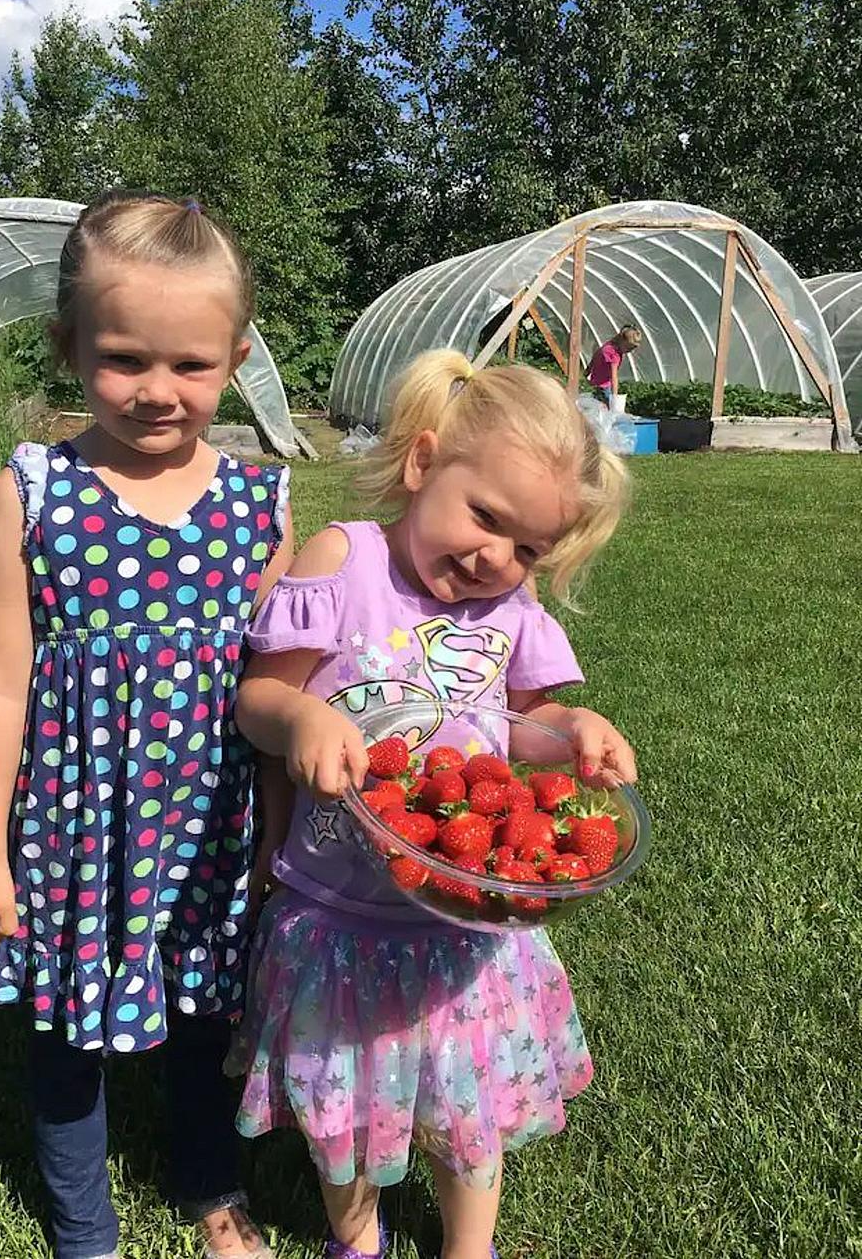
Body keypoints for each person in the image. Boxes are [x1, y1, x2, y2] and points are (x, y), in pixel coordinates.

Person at [230, 351, 637, 1259]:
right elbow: (258, 697)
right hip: (339, 905)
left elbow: (521, 726)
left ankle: (467, 1244)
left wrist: (574, 726)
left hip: (465, 914)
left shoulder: (513, 607)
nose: (496, 556)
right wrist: (298, 713)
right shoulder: (347, 558)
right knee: (344, 1098)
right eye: (485, 517)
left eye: (526, 546)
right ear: (422, 464)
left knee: (468, 1098)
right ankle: (358, 1234)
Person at [0, 192, 294, 1259]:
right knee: (65, 1034)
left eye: (190, 364)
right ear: (67, 346)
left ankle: (207, 1182)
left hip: (208, 830)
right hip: (72, 831)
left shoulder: (261, 505)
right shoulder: (35, 490)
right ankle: (83, 1227)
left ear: (234, 358)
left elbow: (275, 687)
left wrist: (280, 838)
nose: (157, 391)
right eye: (123, 358)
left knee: (205, 1018)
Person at [586, 324, 642, 407]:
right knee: (608, 412)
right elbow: (614, 376)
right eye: (628, 348)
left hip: (595, 384)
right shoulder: (614, 354)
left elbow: (595, 356)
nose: (629, 351)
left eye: (632, 349)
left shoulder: (608, 345)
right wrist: (615, 398)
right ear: (622, 340)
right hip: (603, 389)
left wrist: (587, 372)